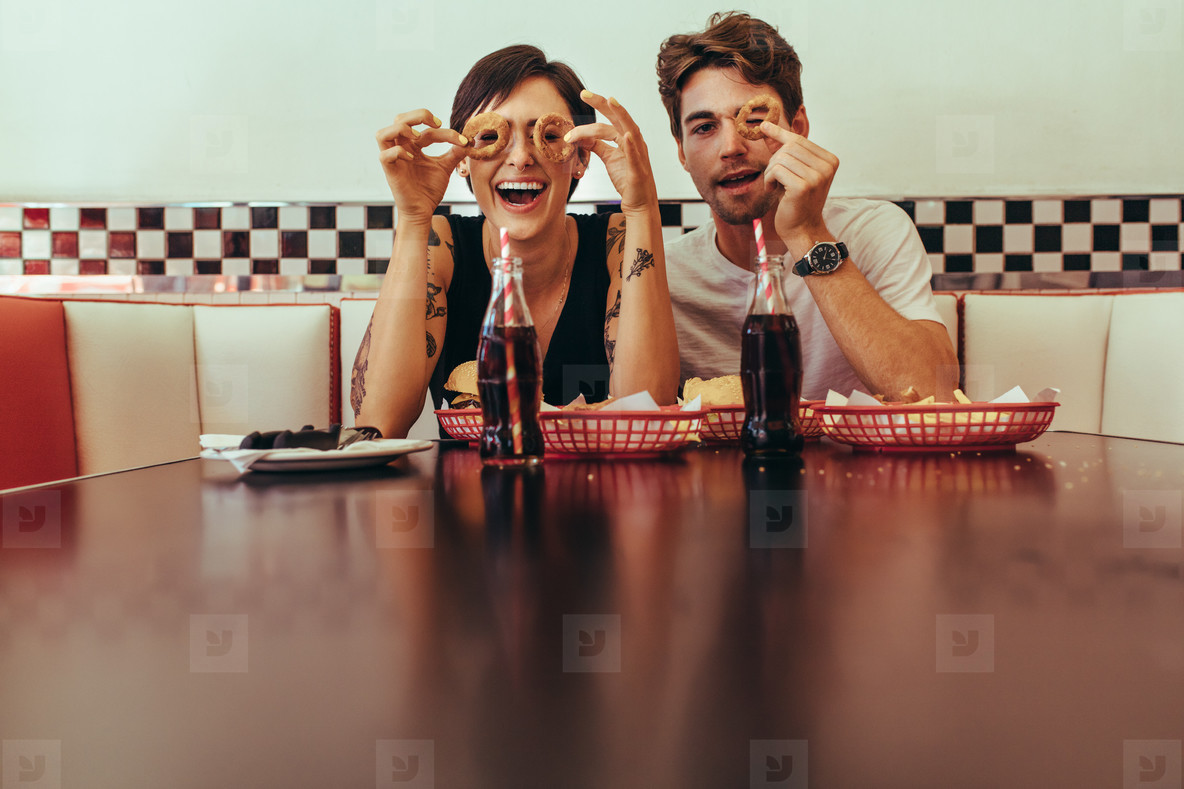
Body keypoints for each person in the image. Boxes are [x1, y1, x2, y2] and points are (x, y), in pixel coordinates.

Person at [352, 45, 679, 438]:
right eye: (492, 135)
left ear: (579, 158)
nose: (521, 157)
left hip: (595, 495)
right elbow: (380, 424)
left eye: (547, 134)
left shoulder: (617, 241)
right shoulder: (442, 245)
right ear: (462, 158)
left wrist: (643, 208)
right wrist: (413, 217)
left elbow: (645, 418)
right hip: (470, 495)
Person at [656, 13, 958, 400]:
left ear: (797, 128)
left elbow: (937, 391)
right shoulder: (666, 276)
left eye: (754, 118)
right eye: (704, 127)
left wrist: (808, 234)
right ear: (681, 152)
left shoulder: (875, 232)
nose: (730, 147)